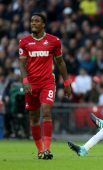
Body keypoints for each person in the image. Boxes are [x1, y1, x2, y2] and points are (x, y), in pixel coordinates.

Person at [19, 13, 71, 160]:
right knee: (34, 117)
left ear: (43, 24)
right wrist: (25, 81)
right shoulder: (24, 42)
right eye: (31, 21)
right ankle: (40, 150)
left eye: (36, 21)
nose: (33, 23)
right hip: (31, 84)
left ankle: (47, 149)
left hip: (47, 83)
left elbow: (60, 62)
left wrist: (67, 83)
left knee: (46, 111)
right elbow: (22, 64)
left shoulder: (54, 41)